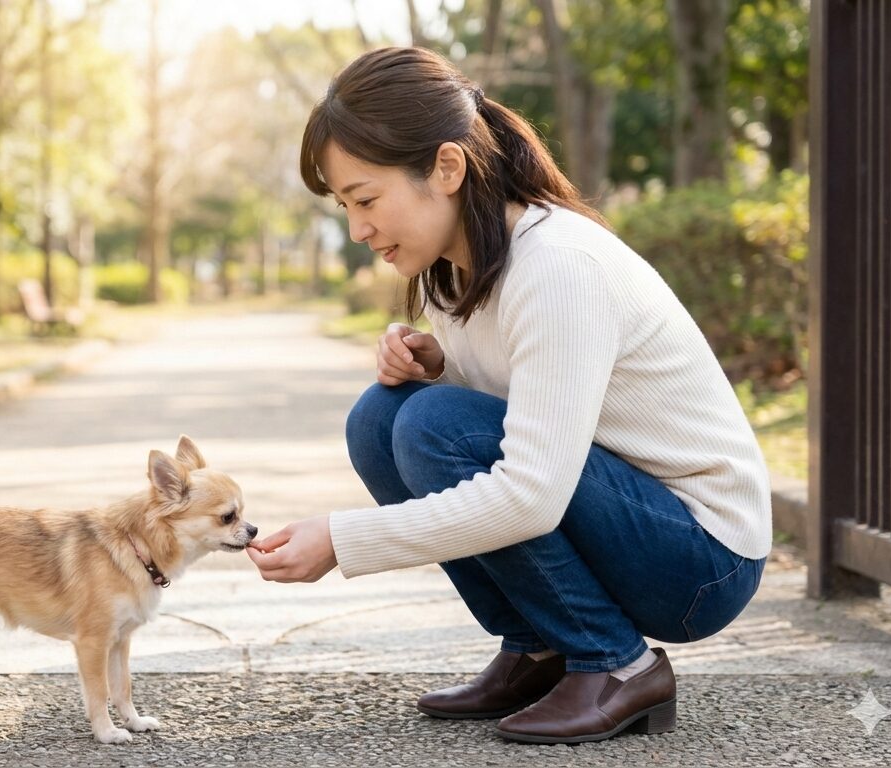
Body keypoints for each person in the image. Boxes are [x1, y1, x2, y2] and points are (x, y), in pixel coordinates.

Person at [246, 46, 770, 746]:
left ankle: (618, 665)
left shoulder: (559, 266)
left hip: (702, 556)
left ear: (447, 167)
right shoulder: (454, 271)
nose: (358, 229)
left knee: (429, 424)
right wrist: (442, 369)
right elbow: (523, 414)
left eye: (365, 200)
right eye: (345, 206)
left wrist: (343, 540)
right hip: (628, 515)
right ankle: (540, 648)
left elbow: (530, 493)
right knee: (381, 418)